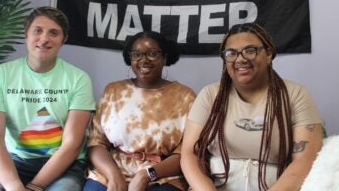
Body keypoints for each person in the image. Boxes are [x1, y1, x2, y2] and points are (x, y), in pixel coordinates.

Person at [180, 23, 323, 191]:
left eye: (250, 50)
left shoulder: (296, 94)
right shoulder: (210, 95)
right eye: (231, 53)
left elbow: (304, 160)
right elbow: (189, 153)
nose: (240, 59)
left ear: (268, 54)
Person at [0, 6, 96, 191]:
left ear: (63, 40)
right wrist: (13, 186)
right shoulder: (0, 75)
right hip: (12, 161)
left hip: (62, 166)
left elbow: (71, 145)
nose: (44, 39)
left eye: (54, 33)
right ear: (26, 34)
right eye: (38, 31)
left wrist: (35, 186)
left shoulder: (78, 79)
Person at [83, 31, 196, 191]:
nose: (144, 60)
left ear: (165, 57)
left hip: (163, 175)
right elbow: (96, 143)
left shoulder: (185, 96)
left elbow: (187, 153)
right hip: (111, 170)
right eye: (137, 54)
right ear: (130, 58)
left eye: (152, 53)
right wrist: (114, 176)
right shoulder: (113, 91)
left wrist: (146, 175)